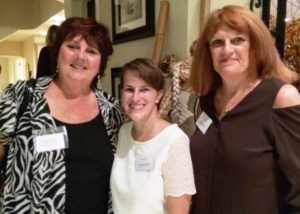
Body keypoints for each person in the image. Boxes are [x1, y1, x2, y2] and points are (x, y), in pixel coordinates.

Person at [0, 17, 123, 213]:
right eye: (72, 47)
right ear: (57, 52)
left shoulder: (112, 111)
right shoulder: (20, 97)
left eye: (91, 51)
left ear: (101, 63)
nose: (80, 56)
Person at [188, 5, 300, 213]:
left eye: (238, 40)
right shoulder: (205, 101)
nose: (227, 49)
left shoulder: (281, 97)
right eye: (217, 42)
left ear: (256, 46)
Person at [110, 58, 196, 214]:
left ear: (158, 96)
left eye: (144, 89)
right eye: (129, 89)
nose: (135, 98)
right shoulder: (123, 132)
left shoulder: (175, 141)